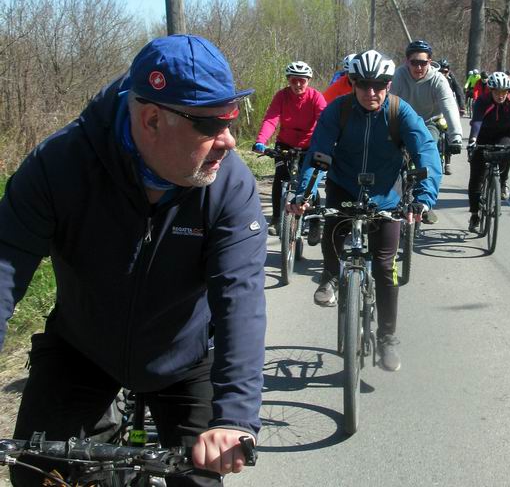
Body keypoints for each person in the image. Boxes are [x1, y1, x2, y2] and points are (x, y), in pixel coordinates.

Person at [0, 34, 267, 486]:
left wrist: (236, 417)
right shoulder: (59, 165)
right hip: (82, 350)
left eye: (232, 121)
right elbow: (4, 264)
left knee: (200, 479)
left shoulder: (230, 187)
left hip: (182, 358)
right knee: (34, 476)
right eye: (210, 126)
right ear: (151, 120)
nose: (229, 141)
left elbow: (240, 296)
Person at [288, 49, 441, 371]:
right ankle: (330, 275)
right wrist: (303, 194)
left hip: (387, 196)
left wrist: (423, 198)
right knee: (332, 229)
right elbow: (316, 153)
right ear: (352, 83)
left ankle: (387, 337)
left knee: (385, 267)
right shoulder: (337, 111)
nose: (372, 93)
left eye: (380, 84)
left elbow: (425, 152)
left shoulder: (401, 112)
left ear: (388, 83)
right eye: (363, 85)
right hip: (343, 187)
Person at [252, 60, 327, 240]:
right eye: (294, 80)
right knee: (280, 177)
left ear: (308, 80)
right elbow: (271, 119)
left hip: (309, 144)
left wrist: (325, 142)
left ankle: (315, 222)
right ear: (288, 80)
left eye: (302, 80)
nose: (298, 84)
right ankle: (277, 219)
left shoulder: (316, 97)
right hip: (285, 144)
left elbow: (324, 121)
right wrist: (261, 141)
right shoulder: (281, 96)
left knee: (309, 182)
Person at [389, 40, 462, 210]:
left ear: (430, 62)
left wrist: (456, 136)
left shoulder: (438, 79)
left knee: (428, 151)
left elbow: (449, 106)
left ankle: (424, 201)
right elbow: (388, 102)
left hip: (429, 122)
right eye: (414, 62)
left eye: (423, 63)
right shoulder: (399, 75)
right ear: (407, 61)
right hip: (402, 122)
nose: (419, 67)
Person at [466, 72, 510, 231]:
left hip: (502, 134)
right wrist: (472, 141)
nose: (501, 96)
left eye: (504, 92)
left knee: (507, 150)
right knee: (476, 177)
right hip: (483, 135)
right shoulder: (481, 101)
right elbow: (477, 121)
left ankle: (503, 182)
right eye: (497, 92)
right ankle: (474, 213)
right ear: (490, 90)